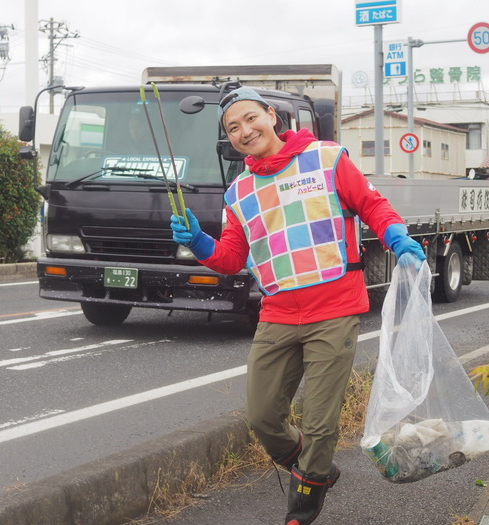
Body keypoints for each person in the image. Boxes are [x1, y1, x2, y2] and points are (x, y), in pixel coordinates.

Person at [170, 86, 426, 525]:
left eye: (251, 119)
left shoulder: (326, 158)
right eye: (233, 128)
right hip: (278, 314)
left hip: (335, 309)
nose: (244, 131)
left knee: (321, 422)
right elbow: (232, 258)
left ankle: (302, 507)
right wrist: (198, 241)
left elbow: (371, 205)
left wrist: (396, 236)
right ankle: (318, 470)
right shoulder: (239, 191)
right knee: (262, 416)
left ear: (271, 116)